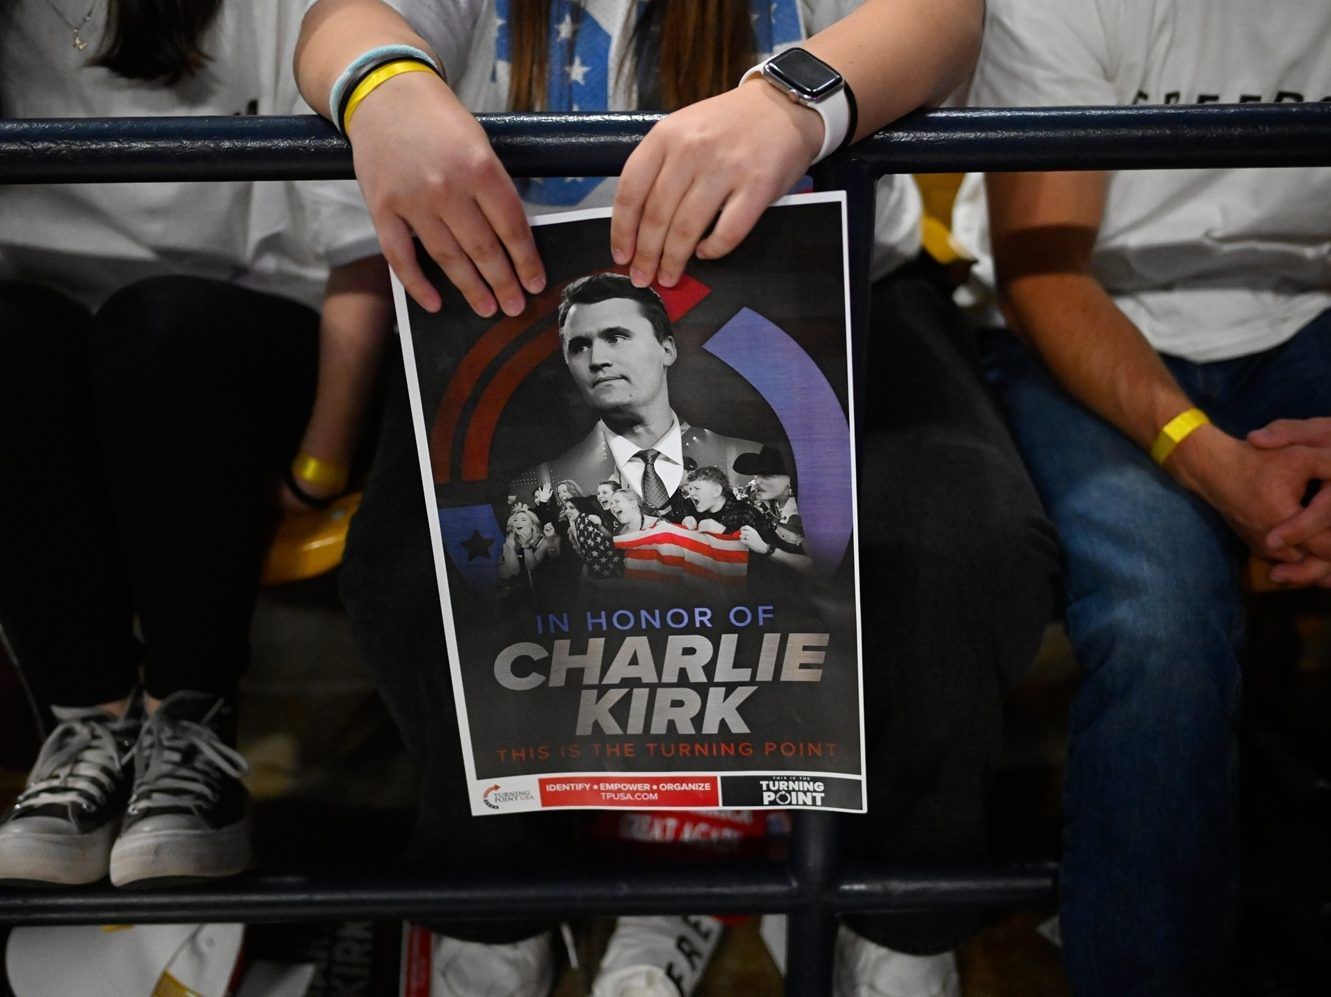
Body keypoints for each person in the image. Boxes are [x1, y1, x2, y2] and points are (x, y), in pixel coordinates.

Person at [297, 2, 1058, 995]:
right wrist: (381, 87)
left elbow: (941, 17)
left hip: (835, 286)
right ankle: (500, 882)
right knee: (416, 563)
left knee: (963, 539)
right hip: (523, 305)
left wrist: (791, 102)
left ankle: (889, 899)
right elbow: (338, 22)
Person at [949, 0, 1331, 991]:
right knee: (1157, 617)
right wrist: (1211, 465)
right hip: (1086, 322)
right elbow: (1045, 272)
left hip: (1309, 324)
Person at [0, 0, 388, 888]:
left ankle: (191, 730)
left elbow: (362, 247)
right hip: (58, 396)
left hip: (262, 359)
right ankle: (88, 731)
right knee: (11, 338)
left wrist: (319, 468)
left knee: (158, 328)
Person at [513, 273, 762, 521]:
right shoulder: (537, 485)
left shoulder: (752, 462)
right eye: (580, 347)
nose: (597, 360)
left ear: (666, 350)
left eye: (616, 338)